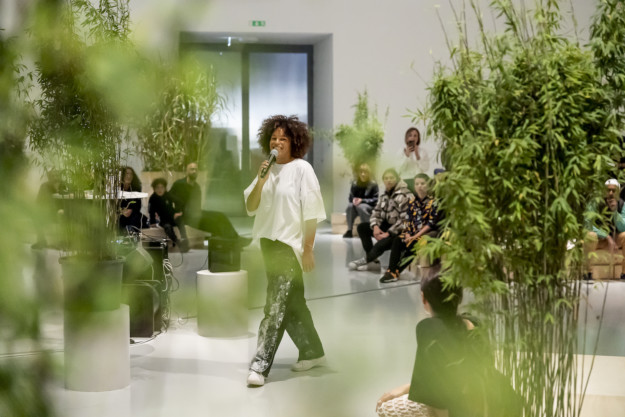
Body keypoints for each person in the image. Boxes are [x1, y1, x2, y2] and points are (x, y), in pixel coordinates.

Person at [244, 115, 326, 387]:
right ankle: (313, 351)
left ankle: (260, 365)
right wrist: (261, 180)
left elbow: (312, 212)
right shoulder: (265, 170)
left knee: (275, 305)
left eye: (283, 139)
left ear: (294, 142)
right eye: (273, 138)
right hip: (267, 244)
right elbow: (251, 206)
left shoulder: (302, 169)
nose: (277, 143)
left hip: (289, 247)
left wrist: (308, 249)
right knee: (293, 305)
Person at [376, 274, 521, 417]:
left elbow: (436, 389)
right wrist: (409, 387)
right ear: (460, 297)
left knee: (386, 408)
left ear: (423, 298)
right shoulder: (474, 322)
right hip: (499, 397)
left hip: (466, 407)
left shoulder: (429, 327)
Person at [169, 162, 250, 246]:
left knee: (220, 216)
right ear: (187, 171)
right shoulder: (179, 184)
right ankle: (232, 241)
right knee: (213, 221)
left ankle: (235, 238)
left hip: (196, 213)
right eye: (192, 169)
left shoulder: (196, 187)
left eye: (196, 169)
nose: (194, 171)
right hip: (185, 216)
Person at [349, 168, 413, 271]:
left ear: (397, 179)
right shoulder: (384, 196)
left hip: (399, 229)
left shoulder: (405, 195)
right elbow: (376, 212)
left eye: (391, 178)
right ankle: (373, 260)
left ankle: (367, 259)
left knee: (382, 243)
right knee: (362, 227)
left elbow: (405, 219)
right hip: (387, 225)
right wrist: (375, 227)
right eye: (386, 178)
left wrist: (388, 233)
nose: (389, 180)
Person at [380, 173, 434, 283]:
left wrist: (415, 236)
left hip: (424, 234)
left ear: (428, 185)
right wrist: (407, 232)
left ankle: (396, 272)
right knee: (397, 240)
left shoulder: (433, 202)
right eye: (417, 184)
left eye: (422, 183)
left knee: (413, 245)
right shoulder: (412, 201)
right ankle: (391, 269)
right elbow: (407, 220)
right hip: (411, 232)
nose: (419, 186)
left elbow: (431, 223)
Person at [583, 178, 625, 280]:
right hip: (599, 240)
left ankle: (624, 273)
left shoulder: (621, 204)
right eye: (608, 190)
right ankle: (588, 272)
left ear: (618, 192)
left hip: (615, 240)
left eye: (613, 191)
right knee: (590, 235)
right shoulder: (595, 203)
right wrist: (606, 236)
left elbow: (623, 227)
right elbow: (588, 225)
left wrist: (615, 212)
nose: (610, 193)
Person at [148, 178, 187, 251]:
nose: (160, 190)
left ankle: (185, 240)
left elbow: (180, 201)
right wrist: (152, 222)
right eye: (157, 188)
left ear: (165, 188)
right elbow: (151, 211)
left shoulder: (168, 195)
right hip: (164, 220)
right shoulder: (152, 198)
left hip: (173, 216)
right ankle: (178, 242)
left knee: (180, 221)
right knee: (168, 227)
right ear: (154, 189)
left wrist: (178, 212)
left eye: (162, 187)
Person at [344, 163, 379, 238]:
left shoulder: (373, 184)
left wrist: (362, 200)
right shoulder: (354, 183)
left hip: (368, 206)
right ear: (359, 173)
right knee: (350, 206)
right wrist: (353, 200)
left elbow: (375, 199)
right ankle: (349, 230)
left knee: (361, 207)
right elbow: (350, 197)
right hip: (356, 205)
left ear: (368, 173)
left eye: (365, 172)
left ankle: (368, 229)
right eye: (361, 172)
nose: (363, 174)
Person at [398, 127, 429, 194]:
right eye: (410, 135)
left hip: (419, 182)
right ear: (406, 138)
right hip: (405, 181)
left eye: (415, 136)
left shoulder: (423, 151)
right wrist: (406, 155)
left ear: (418, 138)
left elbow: (426, 168)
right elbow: (399, 169)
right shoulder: (401, 151)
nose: (413, 138)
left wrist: (417, 154)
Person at [119, 166, 145, 232]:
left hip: (133, 213)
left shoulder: (136, 188)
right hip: (120, 213)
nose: (129, 176)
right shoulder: (117, 187)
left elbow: (138, 204)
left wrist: (131, 209)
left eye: (131, 174)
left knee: (138, 218)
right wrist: (122, 211)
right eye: (126, 174)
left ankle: (133, 235)